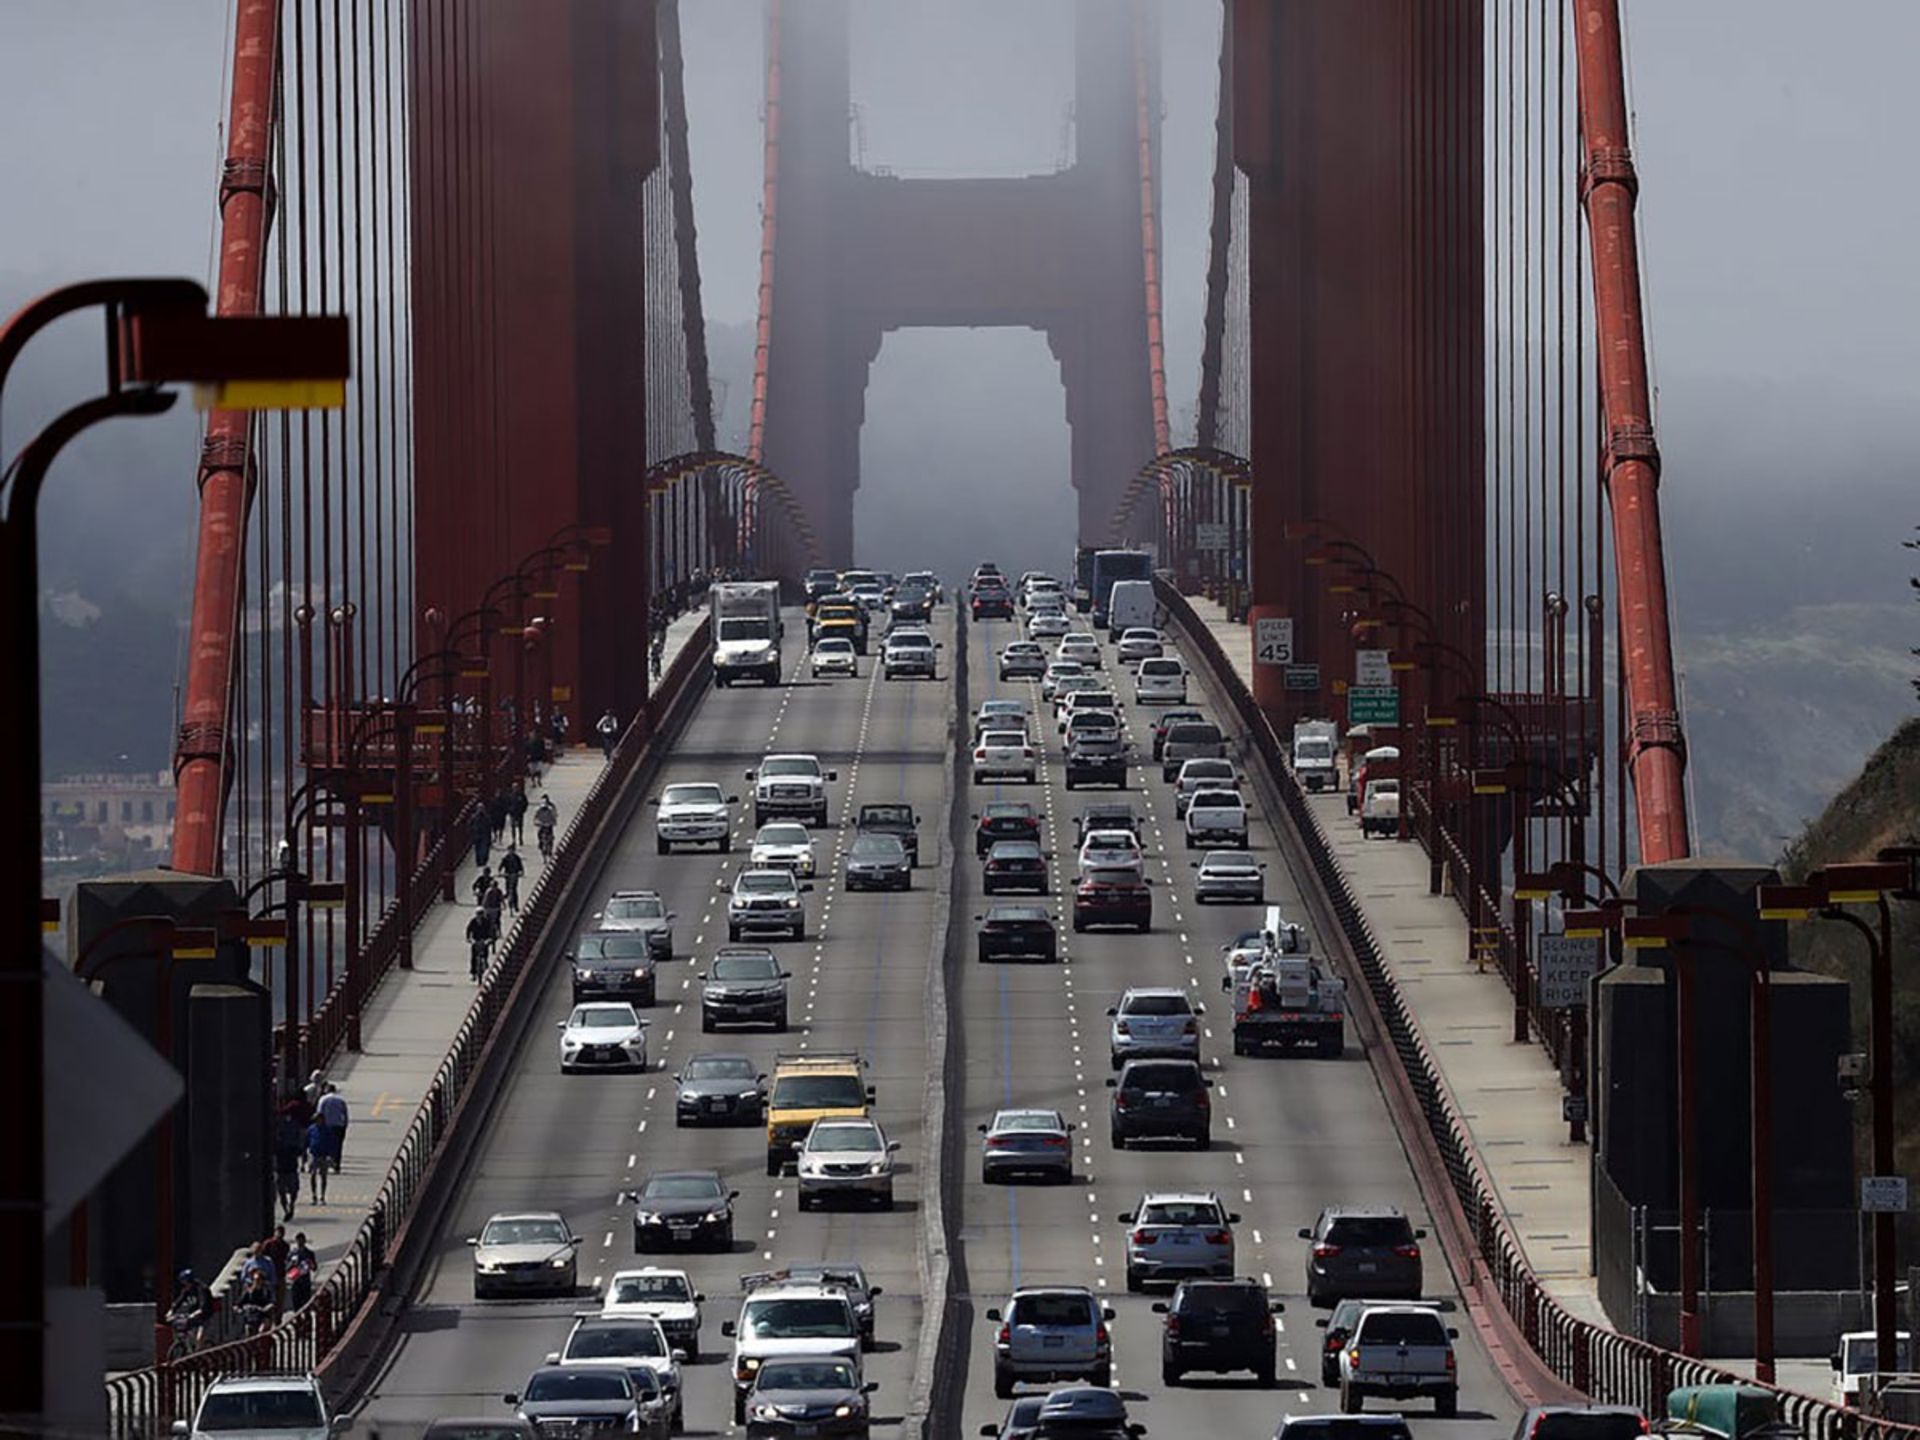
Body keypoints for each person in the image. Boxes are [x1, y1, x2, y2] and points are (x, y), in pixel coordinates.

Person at [166, 1269, 211, 1355]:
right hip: (193, 1315)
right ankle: (188, 1349)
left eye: (186, 1282)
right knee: (186, 1330)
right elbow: (180, 1300)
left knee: (199, 1339)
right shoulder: (186, 1290)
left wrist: (197, 1312)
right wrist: (171, 1311)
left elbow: (204, 1305)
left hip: (204, 1316)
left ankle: (199, 1354)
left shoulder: (201, 1289)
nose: (185, 1285)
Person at [272, 1109, 304, 1221]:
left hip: (290, 1166)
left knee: (293, 1190)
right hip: (282, 1168)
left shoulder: (293, 1129)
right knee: (282, 1192)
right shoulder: (277, 1131)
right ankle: (287, 1209)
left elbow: (300, 1145)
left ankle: (291, 1205)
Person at [316, 1083, 349, 1175]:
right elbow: (345, 1114)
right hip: (338, 1125)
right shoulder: (341, 1100)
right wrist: (345, 1124)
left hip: (326, 1125)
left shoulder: (323, 1099)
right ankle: (337, 1165)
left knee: (325, 1145)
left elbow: (319, 1113)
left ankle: (324, 1165)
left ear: (327, 1090)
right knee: (338, 1146)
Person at [235, 1268, 276, 1335]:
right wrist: (239, 1309)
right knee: (247, 1330)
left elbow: (272, 1302)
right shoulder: (249, 1292)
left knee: (261, 1331)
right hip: (251, 1316)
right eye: (255, 1280)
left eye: (259, 1280)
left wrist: (266, 1308)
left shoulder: (266, 1291)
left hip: (263, 1316)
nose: (257, 1282)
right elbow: (238, 1304)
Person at [285, 1232, 317, 1312]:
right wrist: (291, 1264)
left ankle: (306, 1320)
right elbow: (287, 1268)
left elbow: (314, 1268)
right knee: (296, 1304)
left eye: (302, 1240)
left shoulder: (309, 1253)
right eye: (298, 1240)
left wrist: (310, 1263)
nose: (300, 1242)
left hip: (305, 1282)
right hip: (295, 1281)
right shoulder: (292, 1253)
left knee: (306, 1304)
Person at [305, 1116, 332, 1203]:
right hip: (313, 1154)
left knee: (323, 1176)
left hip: (323, 1155)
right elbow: (306, 1140)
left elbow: (331, 1142)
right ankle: (314, 1194)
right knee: (313, 1175)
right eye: (317, 1119)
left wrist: (330, 1155)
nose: (319, 1121)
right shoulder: (311, 1129)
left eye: (321, 1119)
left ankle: (322, 1196)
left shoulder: (327, 1129)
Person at [466, 909, 492, 982]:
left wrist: (489, 939)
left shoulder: (486, 922)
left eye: (481, 914)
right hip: (476, 940)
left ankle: (485, 961)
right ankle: (473, 973)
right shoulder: (473, 921)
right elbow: (468, 929)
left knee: (485, 951)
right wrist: (468, 938)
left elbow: (490, 930)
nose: (479, 915)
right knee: (473, 956)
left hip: (484, 939)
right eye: (478, 914)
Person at [499, 846, 525, 914]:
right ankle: (507, 897)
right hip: (508, 875)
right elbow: (501, 866)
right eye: (510, 850)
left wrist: (521, 872)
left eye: (512, 850)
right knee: (507, 889)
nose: (511, 852)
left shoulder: (517, 857)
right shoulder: (506, 858)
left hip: (514, 875)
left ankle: (516, 906)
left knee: (514, 890)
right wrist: (500, 872)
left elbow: (520, 866)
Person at [468, 805, 492, 869]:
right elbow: (469, 825)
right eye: (479, 808)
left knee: (483, 849)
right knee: (477, 849)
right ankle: (478, 861)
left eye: (482, 808)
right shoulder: (474, 817)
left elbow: (489, 827)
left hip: (484, 835)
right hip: (477, 835)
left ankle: (483, 860)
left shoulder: (487, 817)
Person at [534, 794, 558, 860]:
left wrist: (553, 822)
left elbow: (554, 816)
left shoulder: (550, 809)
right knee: (539, 833)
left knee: (551, 836)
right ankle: (540, 842)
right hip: (542, 825)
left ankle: (550, 847)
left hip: (549, 825)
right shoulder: (539, 810)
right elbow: (535, 817)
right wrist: (536, 823)